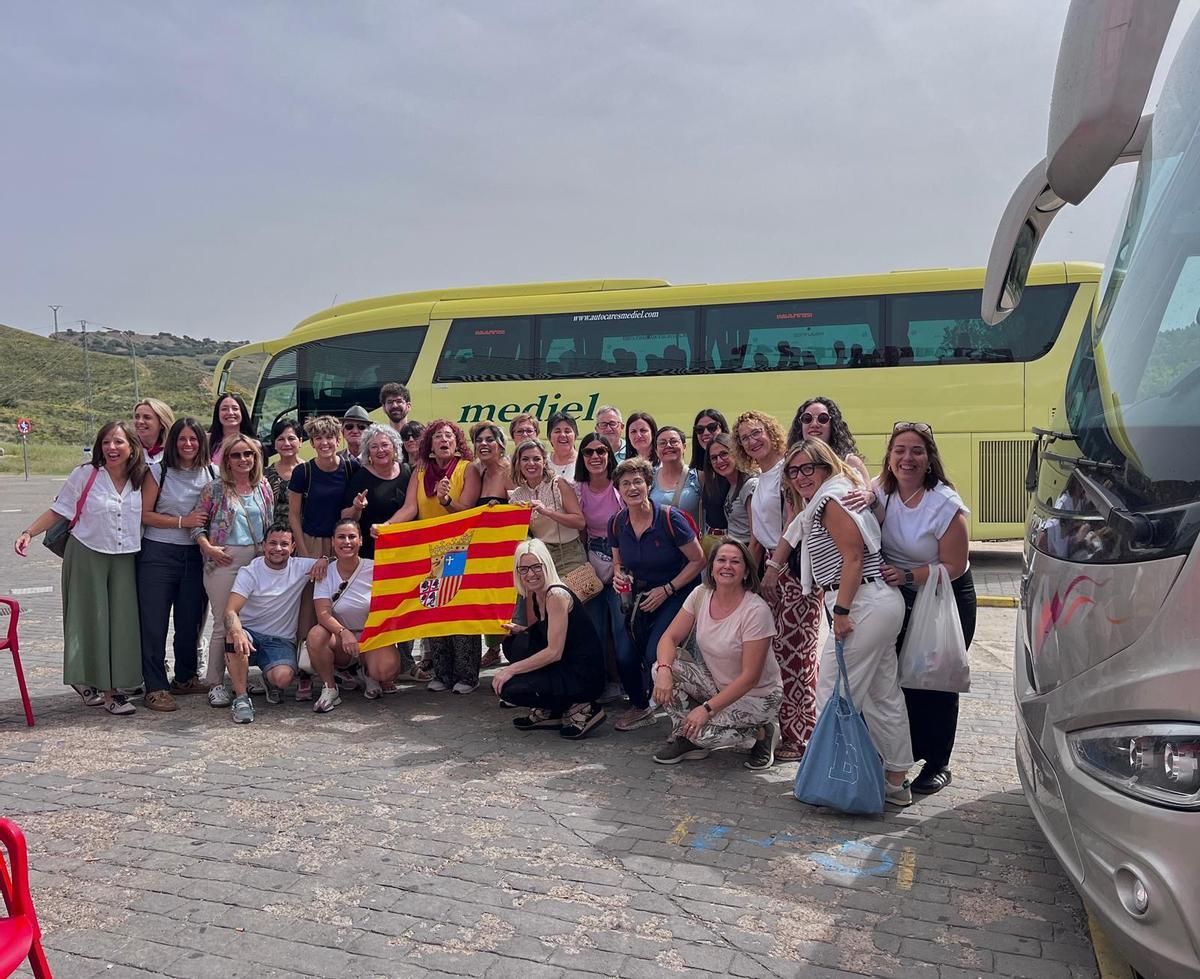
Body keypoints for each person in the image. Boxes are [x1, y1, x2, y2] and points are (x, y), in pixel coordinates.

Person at [768, 439, 914, 804]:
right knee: (882, 696)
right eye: (793, 471)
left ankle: (832, 778)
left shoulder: (831, 500)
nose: (800, 477)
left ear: (825, 465)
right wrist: (773, 567)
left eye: (808, 468)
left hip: (861, 603)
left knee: (834, 692)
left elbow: (853, 558)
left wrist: (842, 612)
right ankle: (896, 781)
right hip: (874, 601)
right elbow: (795, 530)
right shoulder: (830, 496)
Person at [13, 421, 147, 715]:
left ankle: (110, 684)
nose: (111, 448)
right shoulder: (86, 474)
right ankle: (108, 692)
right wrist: (28, 533)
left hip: (125, 556)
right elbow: (59, 509)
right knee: (90, 621)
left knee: (122, 624)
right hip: (87, 552)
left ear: (132, 447)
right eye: (106, 442)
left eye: (118, 442)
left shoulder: (142, 477)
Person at [873, 422, 975, 796]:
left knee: (936, 680)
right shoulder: (879, 492)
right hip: (901, 595)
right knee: (900, 678)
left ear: (929, 459)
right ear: (889, 457)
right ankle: (903, 754)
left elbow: (955, 565)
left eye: (917, 450)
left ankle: (937, 762)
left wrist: (908, 575)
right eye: (899, 450)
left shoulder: (944, 503)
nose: (907, 458)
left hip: (944, 594)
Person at [651, 540, 782, 768]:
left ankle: (761, 732)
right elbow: (669, 638)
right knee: (660, 667)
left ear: (746, 572)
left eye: (735, 562)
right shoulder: (701, 594)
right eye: (721, 560)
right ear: (711, 568)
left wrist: (706, 709)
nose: (727, 566)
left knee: (702, 735)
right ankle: (687, 736)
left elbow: (750, 678)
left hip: (757, 697)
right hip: (719, 685)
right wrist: (664, 671)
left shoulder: (756, 611)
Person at [735, 409, 820, 762]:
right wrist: (748, 579)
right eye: (744, 438)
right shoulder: (758, 480)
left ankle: (802, 735)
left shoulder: (788, 471)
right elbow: (757, 536)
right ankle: (783, 728)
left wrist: (774, 568)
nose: (752, 441)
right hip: (771, 568)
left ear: (771, 432)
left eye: (757, 432)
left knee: (797, 656)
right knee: (774, 655)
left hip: (795, 569)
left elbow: (794, 523)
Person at [380, 420, 481, 693]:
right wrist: (388, 526)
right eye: (438, 436)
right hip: (429, 552)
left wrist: (447, 502)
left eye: (449, 436)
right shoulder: (420, 470)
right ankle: (442, 673)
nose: (444, 440)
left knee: (459, 611)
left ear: (457, 442)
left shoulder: (467, 469)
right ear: (430, 444)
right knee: (434, 609)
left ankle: (467, 676)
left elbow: (468, 512)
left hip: (459, 552)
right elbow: (410, 508)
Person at [608, 457, 705, 731]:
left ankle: (682, 713)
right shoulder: (616, 523)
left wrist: (668, 589)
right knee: (624, 654)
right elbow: (618, 562)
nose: (632, 488)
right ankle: (641, 707)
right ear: (618, 490)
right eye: (625, 483)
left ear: (649, 484)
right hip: (639, 597)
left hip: (676, 594)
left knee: (656, 653)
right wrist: (619, 576)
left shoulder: (669, 519)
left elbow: (698, 560)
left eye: (638, 481)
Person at [137, 418, 216, 711]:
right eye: (182, 439)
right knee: (154, 624)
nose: (188, 444)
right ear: (173, 442)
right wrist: (183, 522)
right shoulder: (158, 471)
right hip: (159, 554)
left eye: (193, 439)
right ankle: (155, 687)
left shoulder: (212, 472)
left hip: (195, 555)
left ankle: (185, 677)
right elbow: (144, 514)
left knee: (189, 621)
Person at [193, 434, 278, 704]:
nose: (243, 459)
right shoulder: (214, 489)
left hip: (257, 559)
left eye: (248, 454)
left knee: (250, 620)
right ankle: (215, 682)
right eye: (236, 455)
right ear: (227, 460)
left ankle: (241, 676)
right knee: (224, 621)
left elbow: (270, 521)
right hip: (225, 559)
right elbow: (197, 525)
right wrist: (208, 548)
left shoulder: (263, 486)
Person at [494, 540, 607, 739]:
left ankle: (582, 707)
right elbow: (548, 633)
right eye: (524, 569)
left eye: (536, 567)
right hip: (567, 663)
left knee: (511, 687)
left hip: (583, 674)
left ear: (547, 565)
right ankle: (553, 710)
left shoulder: (556, 594)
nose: (531, 574)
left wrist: (510, 669)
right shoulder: (538, 594)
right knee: (514, 642)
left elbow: (554, 652)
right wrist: (521, 631)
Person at [222, 523, 326, 723]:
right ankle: (241, 699)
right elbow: (231, 610)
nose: (278, 548)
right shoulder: (250, 572)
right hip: (249, 634)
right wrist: (237, 632)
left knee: (283, 678)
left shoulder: (300, 567)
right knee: (232, 635)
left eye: (284, 544)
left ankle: (269, 680)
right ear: (263, 545)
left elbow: (337, 563)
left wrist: (325, 559)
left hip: (280, 640)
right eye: (272, 543)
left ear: (293, 547)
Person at [573, 432, 630, 705]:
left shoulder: (621, 487)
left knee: (622, 630)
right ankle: (602, 685)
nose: (595, 456)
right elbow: (580, 531)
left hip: (623, 564)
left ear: (609, 454)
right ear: (582, 457)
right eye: (588, 452)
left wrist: (623, 567)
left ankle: (631, 685)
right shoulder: (578, 489)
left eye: (601, 451)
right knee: (595, 632)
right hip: (591, 565)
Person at [465, 421, 514, 668]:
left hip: (507, 549)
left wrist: (500, 511)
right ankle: (493, 648)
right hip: (485, 548)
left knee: (506, 601)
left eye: (489, 440)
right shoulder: (479, 471)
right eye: (479, 440)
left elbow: (520, 507)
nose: (483, 444)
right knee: (487, 599)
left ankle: (514, 650)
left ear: (501, 445)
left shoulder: (509, 471)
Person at [508, 438, 587, 574]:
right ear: (518, 463)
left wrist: (548, 512)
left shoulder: (558, 484)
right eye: (525, 459)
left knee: (565, 589)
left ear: (544, 462)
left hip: (569, 553)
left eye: (536, 459)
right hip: (539, 557)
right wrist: (500, 510)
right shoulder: (517, 495)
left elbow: (580, 522)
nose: (531, 463)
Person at [289, 415, 360, 561]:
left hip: (344, 541)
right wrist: (303, 551)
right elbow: (294, 515)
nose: (324, 443)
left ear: (338, 440)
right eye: (318, 438)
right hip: (312, 542)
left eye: (329, 437)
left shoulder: (352, 468)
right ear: (312, 443)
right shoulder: (302, 472)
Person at [342, 424, 410, 559]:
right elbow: (345, 517)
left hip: (406, 548)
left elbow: (412, 507)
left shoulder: (408, 471)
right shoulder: (360, 477)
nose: (380, 450)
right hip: (373, 551)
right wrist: (356, 508)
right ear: (368, 452)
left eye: (385, 445)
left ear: (394, 447)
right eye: (374, 447)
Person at [787, 397, 869, 483]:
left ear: (832, 425)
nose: (814, 424)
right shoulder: (790, 463)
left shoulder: (850, 462)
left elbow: (868, 490)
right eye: (807, 419)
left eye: (822, 419)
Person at [691, 409, 731, 551]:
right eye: (700, 430)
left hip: (734, 542)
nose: (706, 433)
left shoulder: (736, 469)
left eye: (712, 427)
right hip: (710, 541)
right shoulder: (702, 471)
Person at [708, 434, 757, 547]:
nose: (719, 460)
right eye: (714, 458)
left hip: (747, 551)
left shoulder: (749, 485)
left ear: (736, 453)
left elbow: (756, 540)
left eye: (724, 454)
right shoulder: (731, 486)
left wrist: (748, 558)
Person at [650, 426, 702, 529]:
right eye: (662, 443)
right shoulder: (649, 478)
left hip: (691, 538)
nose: (668, 446)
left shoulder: (697, 476)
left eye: (674, 441)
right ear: (656, 450)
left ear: (684, 447)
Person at [264, 418, 302, 526]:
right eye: (280, 439)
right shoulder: (265, 475)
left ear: (300, 441)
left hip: (305, 533)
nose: (286, 443)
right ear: (274, 444)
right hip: (274, 533)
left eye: (291, 438)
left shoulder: (310, 471)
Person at [207, 393, 258, 466]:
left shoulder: (254, 444)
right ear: (217, 413)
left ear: (242, 412)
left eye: (235, 409)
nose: (230, 413)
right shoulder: (207, 441)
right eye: (224, 409)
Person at [132, 398, 175, 465]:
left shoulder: (174, 451)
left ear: (162, 423)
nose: (140, 421)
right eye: (137, 417)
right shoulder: (129, 450)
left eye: (147, 417)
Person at [546, 411, 578, 480]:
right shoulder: (543, 463)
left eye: (567, 431)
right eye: (557, 431)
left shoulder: (584, 462)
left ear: (575, 436)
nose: (563, 435)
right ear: (549, 437)